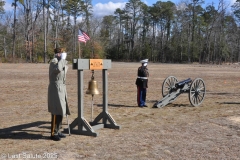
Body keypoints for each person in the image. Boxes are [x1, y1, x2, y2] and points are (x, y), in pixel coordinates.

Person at [48, 48, 70, 141]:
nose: (61, 55)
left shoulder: (61, 62)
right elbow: (57, 69)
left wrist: (63, 61)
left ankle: (58, 130)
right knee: (56, 110)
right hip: (55, 88)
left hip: (62, 88)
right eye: (60, 53)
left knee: (61, 110)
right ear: (57, 54)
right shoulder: (54, 62)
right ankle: (53, 133)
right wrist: (62, 60)